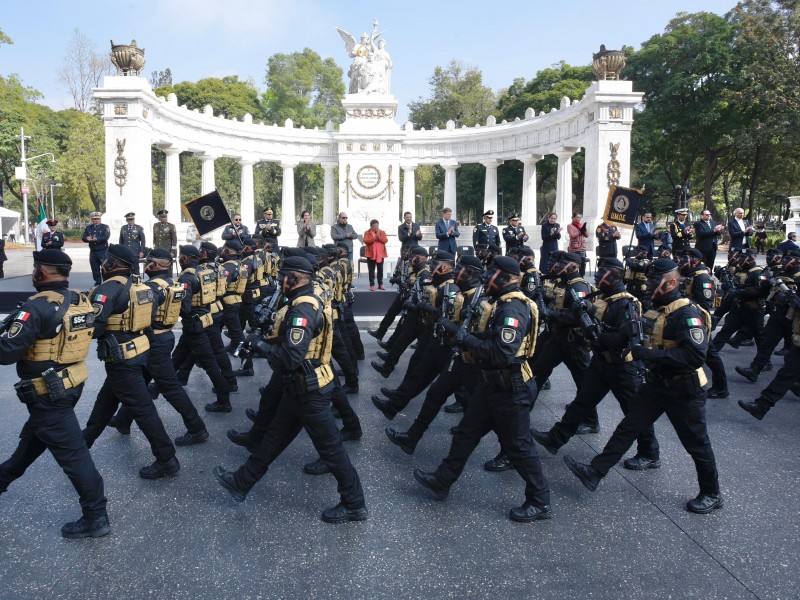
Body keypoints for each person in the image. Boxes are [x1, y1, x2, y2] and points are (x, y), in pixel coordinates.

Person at [213, 257, 368, 523]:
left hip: (309, 390)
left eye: (282, 277)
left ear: (293, 279)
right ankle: (242, 481)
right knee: (274, 437)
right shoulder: (305, 299)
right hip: (301, 385)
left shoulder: (302, 309)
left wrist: (260, 346)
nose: (279, 282)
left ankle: (354, 503)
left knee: (332, 449)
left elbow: (291, 358)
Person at [563, 258, 723, 515]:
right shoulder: (657, 308)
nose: (647, 285)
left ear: (671, 282)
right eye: (647, 279)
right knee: (628, 428)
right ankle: (595, 472)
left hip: (684, 390)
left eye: (653, 281)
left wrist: (648, 355)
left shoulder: (686, 313)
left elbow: (694, 357)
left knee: (696, 443)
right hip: (656, 384)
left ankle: (712, 493)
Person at [413, 256, 551, 523]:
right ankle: (443, 480)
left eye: (493, 273)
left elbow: (501, 354)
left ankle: (540, 500)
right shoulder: (501, 303)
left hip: (511, 387)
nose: (487, 277)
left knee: (520, 447)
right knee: (466, 433)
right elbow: (492, 338)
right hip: (492, 384)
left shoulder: (513, 308)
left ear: (508, 278)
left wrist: (468, 341)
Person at [0, 248, 109, 539]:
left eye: (36, 267)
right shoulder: (78, 299)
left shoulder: (35, 307)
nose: (34, 272)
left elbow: (6, 352)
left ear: (41, 272)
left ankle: (96, 516)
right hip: (70, 383)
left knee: (74, 455)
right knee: (35, 435)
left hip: (46, 391)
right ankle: (4, 477)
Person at [532, 257, 660, 469]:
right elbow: (579, 316)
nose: (598, 275)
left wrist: (597, 336)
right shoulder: (602, 297)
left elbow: (624, 338)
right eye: (599, 270)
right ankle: (556, 438)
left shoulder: (626, 303)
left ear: (617, 276)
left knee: (634, 412)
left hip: (623, 367)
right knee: (582, 402)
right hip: (601, 362)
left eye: (604, 271)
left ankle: (649, 453)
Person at [82, 244, 179, 479]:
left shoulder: (106, 289)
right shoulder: (141, 287)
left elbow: (94, 328)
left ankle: (166, 458)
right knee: (105, 400)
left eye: (106, 261)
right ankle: (83, 444)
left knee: (143, 410)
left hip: (121, 359)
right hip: (137, 352)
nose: (102, 264)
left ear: (113, 264)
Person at [107, 249, 209, 446]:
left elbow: (140, 316)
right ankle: (123, 419)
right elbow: (186, 310)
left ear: (152, 265)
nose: (146, 266)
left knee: (170, 387)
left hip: (154, 341)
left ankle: (197, 428)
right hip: (163, 337)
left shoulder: (153, 287)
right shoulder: (174, 283)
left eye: (148, 262)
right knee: (141, 382)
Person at [82, 212, 111, 285]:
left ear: (100, 219)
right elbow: (83, 237)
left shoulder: (105, 227)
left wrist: (96, 239)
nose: (96, 220)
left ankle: (106, 282)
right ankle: (97, 282)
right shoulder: (89, 227)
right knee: (94, 268)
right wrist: (87, 238)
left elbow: (106, 237)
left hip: (102, 251)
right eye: (94, 219)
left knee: (105, 268)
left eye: (98, 219)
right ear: (92, 219)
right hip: (93, 251)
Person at [363, 219, 388, 290]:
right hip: (371, 254)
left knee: (380, 270)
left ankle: (380, 284)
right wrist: (374, 238)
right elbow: (365, 241)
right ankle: (372, 285)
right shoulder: (367, 232)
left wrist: (379, 237)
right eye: (374, 226)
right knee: (371, 270)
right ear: (371, 226)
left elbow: (385, 240)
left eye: (377, 226)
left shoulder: (382, 232)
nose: (376, 227)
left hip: (380, 254)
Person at [567, 211, 589, 277]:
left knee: (582, 264)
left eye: (580, 217)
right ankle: (574, 277)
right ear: (573, 218)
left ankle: (582, 277)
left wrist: (584, 230)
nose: (579, 219)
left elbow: (587, 235)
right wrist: (580, 231)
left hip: (582, 248)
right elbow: (572, 235)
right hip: (574, 248)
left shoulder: (581, 225)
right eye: (577, 217)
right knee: (574, 264)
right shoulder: (570, 226)